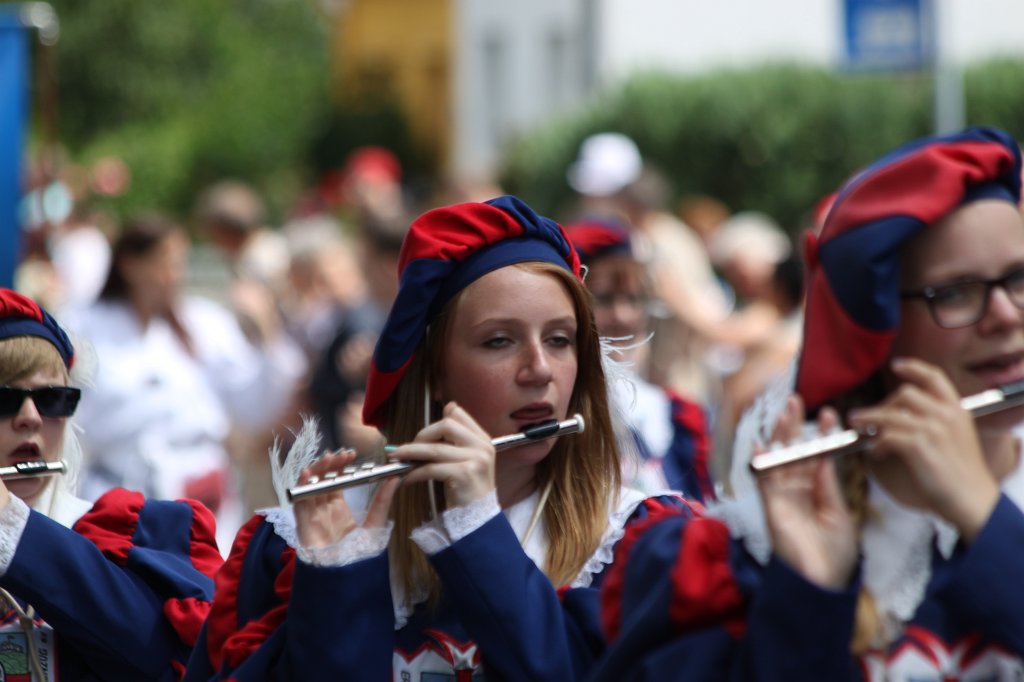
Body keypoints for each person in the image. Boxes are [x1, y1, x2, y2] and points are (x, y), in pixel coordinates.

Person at [186, 195, 688, 681]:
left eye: (560, 340)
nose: (539, 370)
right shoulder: (304, 544)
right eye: (499, 341)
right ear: (434, 372)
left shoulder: (631, 540)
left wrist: (476, 522)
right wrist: (337, 582)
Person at [591, 125, 1024, 680]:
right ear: (874, 329)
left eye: (1018, 278)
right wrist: (808, 598)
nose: (1008, 316)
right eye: (957, 291)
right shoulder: (740, 561)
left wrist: (985, 519)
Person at [0, 288, 222, 679]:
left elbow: (165, 659)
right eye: (4, 400)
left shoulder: (123, 533)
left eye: (52, 398)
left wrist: (12, 525)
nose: (30, 417)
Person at [61, 215, 306, 552]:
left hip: (201, 494)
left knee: (204, 593)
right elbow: (71, 412)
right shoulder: (83, 323)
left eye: (178, 263)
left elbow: (253, 404)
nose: (173, 274)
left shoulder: (203, 322)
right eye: (163, 263)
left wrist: (268, 333)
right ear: (131, 265)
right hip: (120, 492)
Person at [566, 217, 714, 501]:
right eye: (605, 300)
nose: (624, 316)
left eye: (634, 300)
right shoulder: (562, 417)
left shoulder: (677, 416)